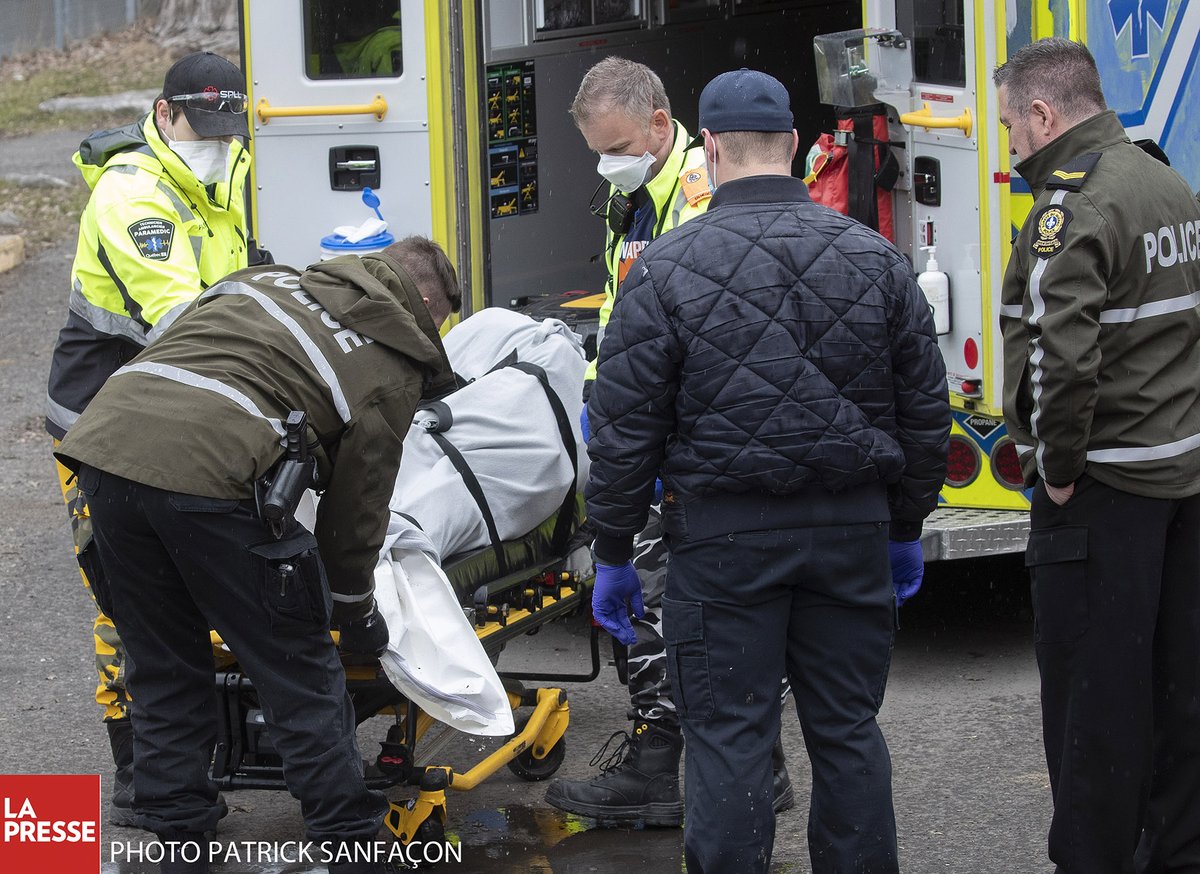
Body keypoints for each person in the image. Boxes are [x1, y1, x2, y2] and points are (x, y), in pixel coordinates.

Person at [583, 68, 949, 872]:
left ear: (707, 150)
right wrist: (907, 526)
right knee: (848, 732)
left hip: (722, 546)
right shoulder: (876, 258)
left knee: (728, 739)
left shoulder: (665, 271)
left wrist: (612, 550)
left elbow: (623, 430)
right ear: (792, 145)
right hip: (852, 536)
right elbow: (924, 412)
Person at [53, 237, 461, 874]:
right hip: (207, 480)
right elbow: (356, 511)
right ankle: (350, 839)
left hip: (105, 456)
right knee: (296, 661)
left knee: (161, 660)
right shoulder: (390, 361)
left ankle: (179, 835)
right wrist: (352, 611)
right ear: (427, 306)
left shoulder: (263, 285)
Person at [546, 56, 795, 826]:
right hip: (655, 424)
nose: (605, 162)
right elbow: (627, 315)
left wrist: (636, 430)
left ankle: (658, 764)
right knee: (706, 609)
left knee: (655, 602)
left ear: (661, 125)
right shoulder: (639, 199)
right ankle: (761, 766)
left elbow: (696, 335)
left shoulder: (695, 200)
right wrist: (594, 387)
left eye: (616, 145)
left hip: (679, 441)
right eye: (597, 148)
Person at [995, 38, 1200, 874]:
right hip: (1179, 479)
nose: (1009, 145)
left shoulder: (1069, 209)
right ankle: (1179, 852)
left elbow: (1059, 357)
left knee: (1091, 702)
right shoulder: (1163, 179)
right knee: (1177, 689)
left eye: (1010, 127)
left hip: (1105, 487)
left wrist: (1058, 468)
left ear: (1043, 116)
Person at [44, 50, 256, 827]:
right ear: (164, 116)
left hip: (187, 417)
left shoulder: (226, 168)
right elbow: (187, 320)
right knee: (127, 600)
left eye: (230, 131)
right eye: (205, 130)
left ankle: (188, 753)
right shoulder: (132, 195)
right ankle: (137, 771)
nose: (221, 145)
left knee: (199, 587)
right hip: (104, 426)